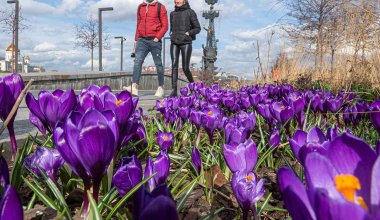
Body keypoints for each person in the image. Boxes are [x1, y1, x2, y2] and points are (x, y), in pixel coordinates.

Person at [124, 0, 168, 97]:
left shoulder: (160, 7)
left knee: (158, 64)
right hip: (142, 40)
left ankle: (161, 87)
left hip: (154, 40)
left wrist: (157, 37)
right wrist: (136, 40)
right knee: (137, 62)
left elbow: (165, 25)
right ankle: (134, 87)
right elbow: (138, 24)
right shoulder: (141, 7)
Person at [169, 0, 201, 97]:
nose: (176, 1)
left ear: (184, 1)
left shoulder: (190, 12)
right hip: (174, 42)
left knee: (185, 68)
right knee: (174, 65)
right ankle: (174, 91)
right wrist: (171, 33)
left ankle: (193, 87)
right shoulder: (172, 14)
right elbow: (172, 27)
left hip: (185, 42)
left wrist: (188, 33)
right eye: (175, 0)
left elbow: (197, 28)